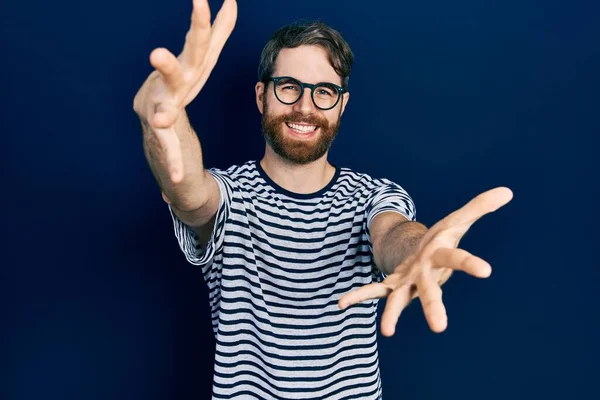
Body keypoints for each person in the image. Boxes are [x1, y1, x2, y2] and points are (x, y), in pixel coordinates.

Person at [133, 0, 513, 398]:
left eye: (324, 92)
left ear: (342, 105)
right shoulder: (230, 195)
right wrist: (163, 119)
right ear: (262, 96)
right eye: (289, 87)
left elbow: (393, 235)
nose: (305, 106)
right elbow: (189, 193)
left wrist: (421, 253)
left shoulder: (372, 197)